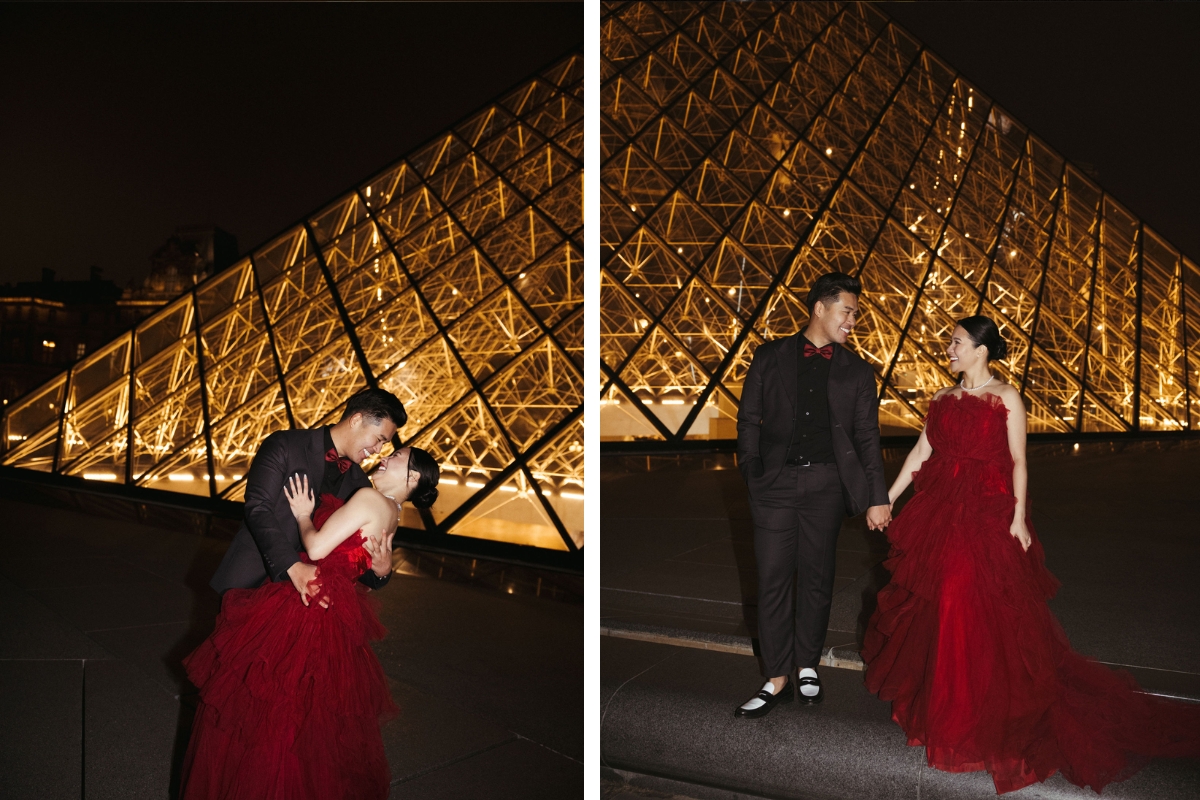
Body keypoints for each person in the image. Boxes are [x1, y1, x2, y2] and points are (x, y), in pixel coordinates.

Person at [862, 315, 1200, 794]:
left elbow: (1019, 461)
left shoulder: (1007, 398)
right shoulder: (943, 399)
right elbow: (922, 454)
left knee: (967, 603)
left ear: (981, 350)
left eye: (956, 342)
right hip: (941, 512)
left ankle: (970, 712)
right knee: (942, 607)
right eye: (951, 342)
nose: (949, 348)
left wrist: (1018, 519)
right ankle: (953, 703)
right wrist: (889, 497)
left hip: (985, 513)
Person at [180, 444, 440, 799]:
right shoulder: (394, 514)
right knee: (309, 720)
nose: (384, 455)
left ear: (412, 476)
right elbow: (367, 565)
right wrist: (381, 571)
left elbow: (316, 549)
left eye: (395, 456)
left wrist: (304, 514)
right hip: (335, 611)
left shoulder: (369, 498)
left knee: (267, 710)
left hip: (306, 604)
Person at [734, 272, 892, 718]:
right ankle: (776, 674)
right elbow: (749, 420)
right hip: (775, 485)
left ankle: (807, 662)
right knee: (772, 580)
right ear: (820, 308)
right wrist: (752, 472)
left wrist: (877, 496)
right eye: (848, 311)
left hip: (825, 486)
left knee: (818, 581)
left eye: (856, 313)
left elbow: (866, 437)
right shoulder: (769, 356)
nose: (854, 321)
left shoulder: (858, 372)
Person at [209, 387, 408, 603]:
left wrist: (381, 572)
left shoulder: (360, 485)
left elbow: (352, 556)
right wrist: (292, 567)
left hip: (303, 603)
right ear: (356, 420)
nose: (378, 450)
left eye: (384, 444)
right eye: (379, 439)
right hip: (248, 580)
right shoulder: (285, 444)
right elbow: (258, 508)